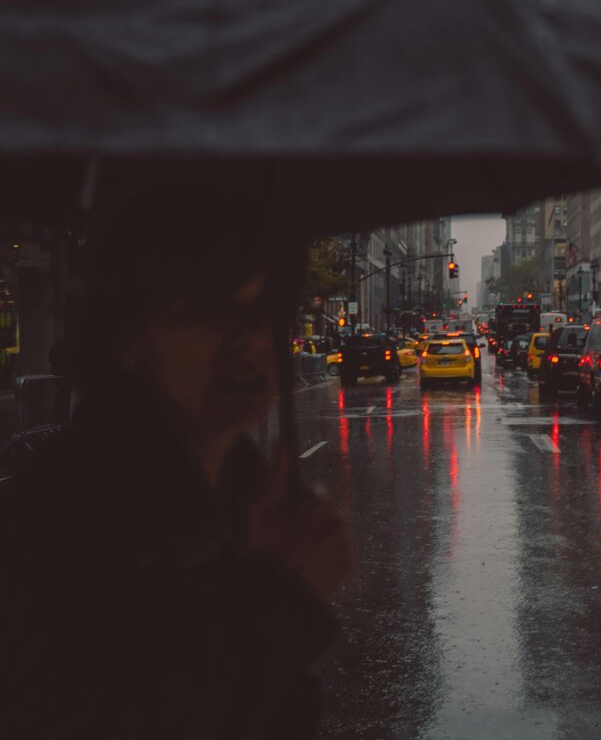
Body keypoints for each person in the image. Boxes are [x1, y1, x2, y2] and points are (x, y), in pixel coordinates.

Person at [0, 169, 351, 738]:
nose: (249, 341)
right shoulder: (67, 515)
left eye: (261, 310)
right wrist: (280, 590)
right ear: (131, 334)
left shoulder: (237, 491)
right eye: (210, 310)